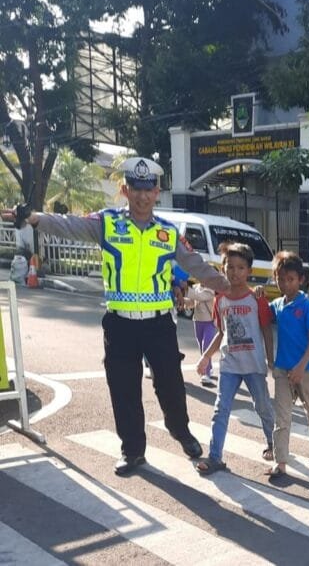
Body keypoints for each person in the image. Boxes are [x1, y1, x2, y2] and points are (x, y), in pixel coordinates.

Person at [2, 157, 230, 476]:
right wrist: (34, 218)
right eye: (135, 189)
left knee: (172, 388)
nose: (142, 196)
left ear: (157, 191)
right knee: (124, 390)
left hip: (159, 325)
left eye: (148, 189)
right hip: (120, 324)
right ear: (125, 190)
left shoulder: (167, 232)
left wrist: (230, 287)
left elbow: (195, 265)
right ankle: (133, 451)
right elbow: (71, 226)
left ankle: (181, 432)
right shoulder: (107, 223)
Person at [195, 242, 276, 475]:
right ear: (223, 269)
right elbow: (221, 333)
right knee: (221, 410)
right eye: (230, 267)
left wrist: (270, 360)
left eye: (241, 268)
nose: (235, 272)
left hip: (253, 365)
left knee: (262, 406)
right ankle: (214, 456)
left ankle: (273, 444)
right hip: (229, 365)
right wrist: (204, 358)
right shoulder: (220, 300)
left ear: (249, 271)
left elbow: (266, 330)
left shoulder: (256, 298)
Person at [267, 250, 309, 478]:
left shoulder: (307, 307)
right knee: (282, 415)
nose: (285, 284)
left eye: (290, 279)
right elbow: (263, 321)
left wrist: (302, 366)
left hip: (306, 370)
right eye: (281, 279)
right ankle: (280, 461)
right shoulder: (276, 305)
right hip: (283, 370)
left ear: (300, 280)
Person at [185, 281, 217, 387]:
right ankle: (209, 367)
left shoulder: (211, 289)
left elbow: (200, 296)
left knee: (206, 345)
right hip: (197, 321)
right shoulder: (196, 288)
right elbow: (191, 303)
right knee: (201, 346)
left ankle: (205, 374)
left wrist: (186, 288)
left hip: (210, 323)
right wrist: (181, 300)